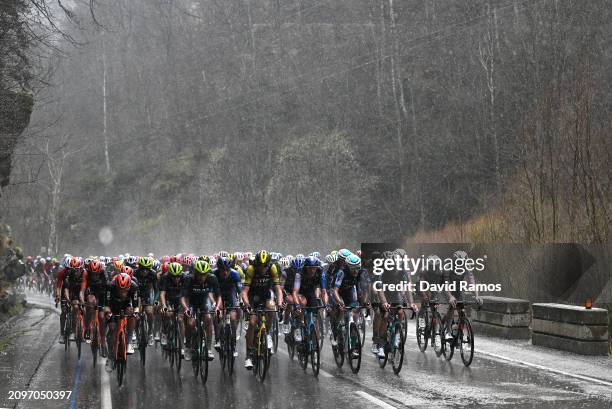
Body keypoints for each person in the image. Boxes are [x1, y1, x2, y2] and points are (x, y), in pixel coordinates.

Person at [241, 250, 283, 370]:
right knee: (253, 322)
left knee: (271, 308)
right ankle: (248, 355)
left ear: (268, 264)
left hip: (265, 294)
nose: (262, 269)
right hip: (253, 296)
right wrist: (247, 304)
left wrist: (279, 304)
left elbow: (278, 289)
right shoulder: (251, 269)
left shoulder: (273, 268)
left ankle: (268, 333)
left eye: (265, 266)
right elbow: (244, 291)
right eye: (260, 266)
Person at [181, 260, 220, 361]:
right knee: (190, 323)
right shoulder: (188, 279)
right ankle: (188, 346)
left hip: (203, 300)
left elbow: (218, 295)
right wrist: (186, 309)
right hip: (191, 301)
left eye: (204, 275)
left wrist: (217, 307)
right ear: (195, 273)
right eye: (199, 274)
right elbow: (183, 297)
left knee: (208, 318)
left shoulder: (212, 278)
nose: (202, 277)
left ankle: (208, 348)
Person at [104, 272, 139, 372]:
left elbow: (136, 305)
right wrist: (108, 313)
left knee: (131, 313)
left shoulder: (134, 286)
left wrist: (136, 312)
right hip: (113, 306)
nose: (123, 293)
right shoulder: (110, 286)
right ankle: (110, 358)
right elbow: (106, 305)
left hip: (126, 305)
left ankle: (128, 342)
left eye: (125, 290)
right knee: (112, 329)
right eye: (120, 290)